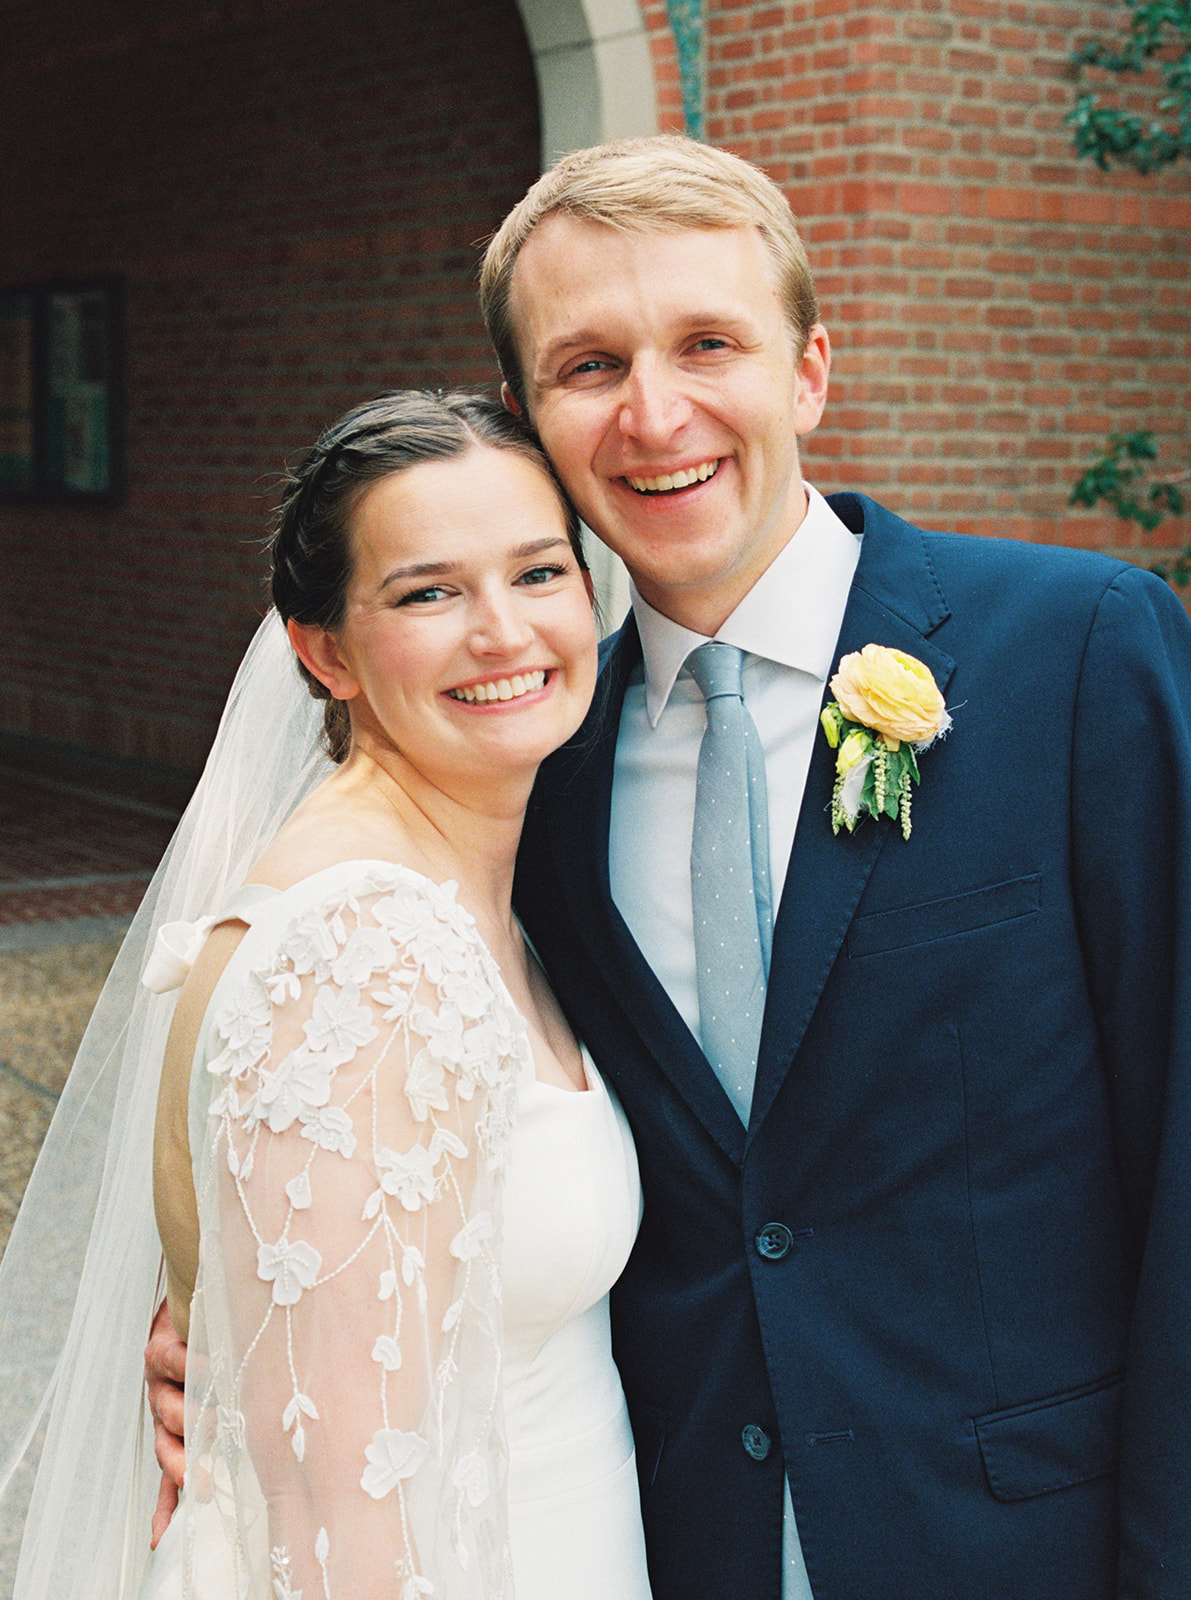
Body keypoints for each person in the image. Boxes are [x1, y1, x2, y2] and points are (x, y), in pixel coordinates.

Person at [149, 135, 1191, 1597]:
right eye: (587, 366)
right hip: (661, 1543)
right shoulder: (524, 763)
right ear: (526, 418)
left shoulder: (1077, 652)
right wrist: (251, 1337)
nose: (654, 413)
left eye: (708, 342)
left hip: (1023, 1547)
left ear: (807, 371)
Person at [0, 391, 654, 1600]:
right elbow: (338, 1529)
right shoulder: (359, 957)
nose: (504, 631)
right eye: (427, 592)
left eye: (538, 571)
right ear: (324, 650)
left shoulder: (484, 884)